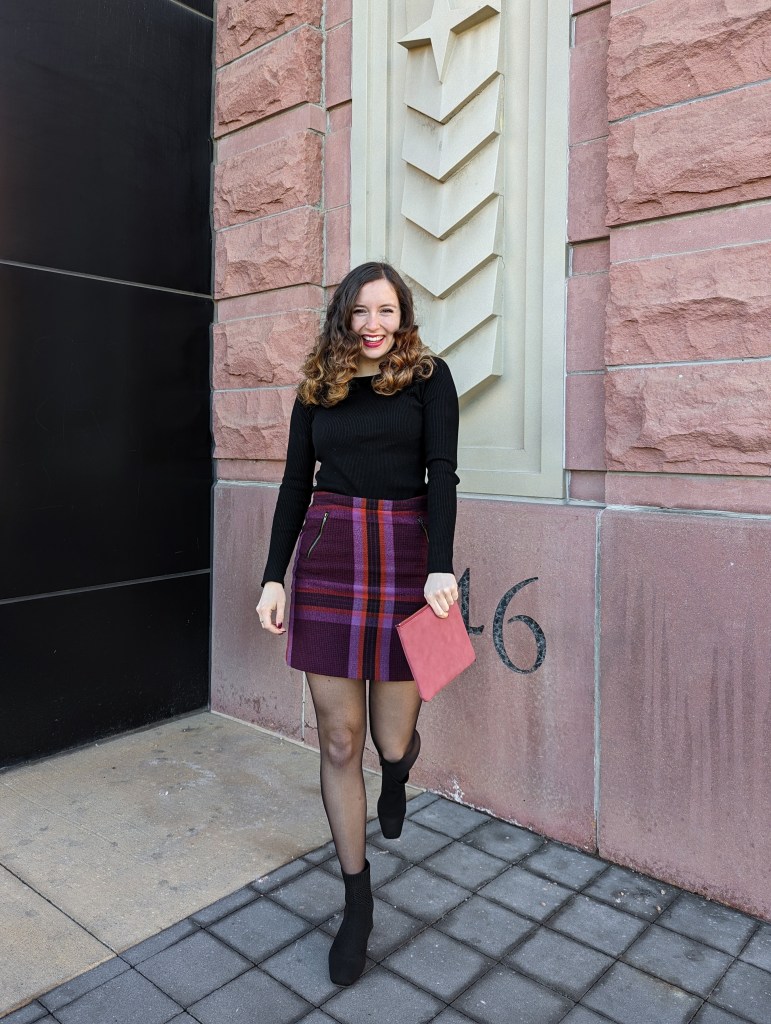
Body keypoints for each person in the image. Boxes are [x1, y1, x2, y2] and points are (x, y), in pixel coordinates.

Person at [255, 262, 460, 985]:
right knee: (340, 739)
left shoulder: (429, 379)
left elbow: (442, 473)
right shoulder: (318, 386)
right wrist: (273, 576)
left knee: (389, 738)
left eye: (387, 311)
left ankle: (397, 773)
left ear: (403, 316)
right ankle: (356, 897)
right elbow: (294, 483)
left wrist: (441, 565)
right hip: (329, 555)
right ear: (343, 316)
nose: (374, 324)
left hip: (406, 559)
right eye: (361, 311)